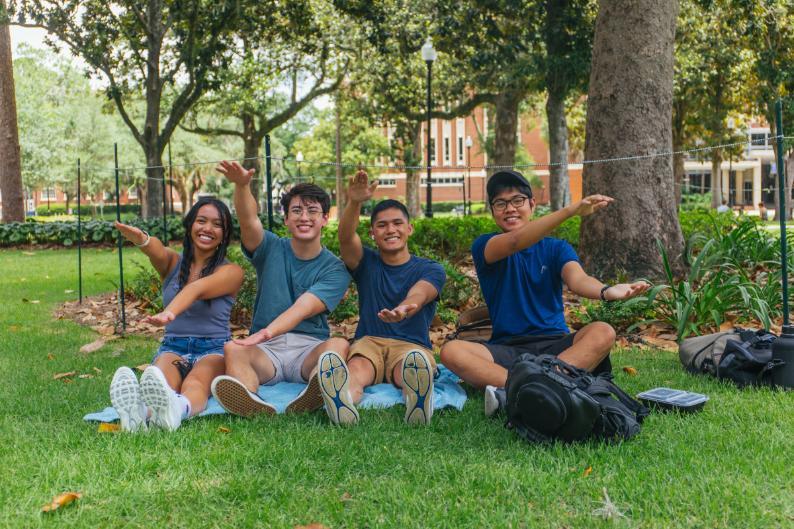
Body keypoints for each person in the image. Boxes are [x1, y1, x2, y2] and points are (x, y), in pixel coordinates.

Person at [440, 170, 650, 415]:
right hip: (507, 348)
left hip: (556, 348)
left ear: (532, 204)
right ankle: (545, 387)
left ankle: (517, 390)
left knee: (603, 331)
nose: (510, 209)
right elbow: (515, 241)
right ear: (493, 210)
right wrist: (570, 211)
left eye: (517, 201)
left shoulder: (556, 248)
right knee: (451, 351)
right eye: (500, 203)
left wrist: (607, 290)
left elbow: (578, 279)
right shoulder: (485, 246)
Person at [210, 161, 351, 417]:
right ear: (286, 219)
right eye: (296, 210)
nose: (304, 217)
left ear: (325, 219)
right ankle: (250, 399)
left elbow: (303, 308)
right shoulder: (270, 248)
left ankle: (316, 391)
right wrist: (242, 186)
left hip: (309, 349)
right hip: (266, 352)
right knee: (233, 349)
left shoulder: (335, 269)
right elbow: (248, 218)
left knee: (338, 346)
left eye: (312, 211)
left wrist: (264, 333)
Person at [317, 170, 446, 426]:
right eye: (382, 225)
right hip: (369, 342)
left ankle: (417, 400)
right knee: (356, 369)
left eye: (397, 223)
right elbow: (344, 238)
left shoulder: (430, 268)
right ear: (373, 233)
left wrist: (405, 308)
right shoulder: (366, 263)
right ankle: (344, 402)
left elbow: (421, 293)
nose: (391, 230)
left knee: (408, 370)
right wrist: (354, 202)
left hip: (411, 346)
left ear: (409, 228)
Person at [109, 197, 244, 432]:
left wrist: (169, 313)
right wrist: (142, 239)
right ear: (190, 224)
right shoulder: (173, 264)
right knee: (161, 381)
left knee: (196, 381)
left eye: (217, 224)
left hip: (213, 349)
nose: (207, 229)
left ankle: (177, 411)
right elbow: (158, 250)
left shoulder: (231, 272)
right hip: (174, 347)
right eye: (201, 221)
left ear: (224, 234)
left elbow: (197, 288)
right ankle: (138, 415)